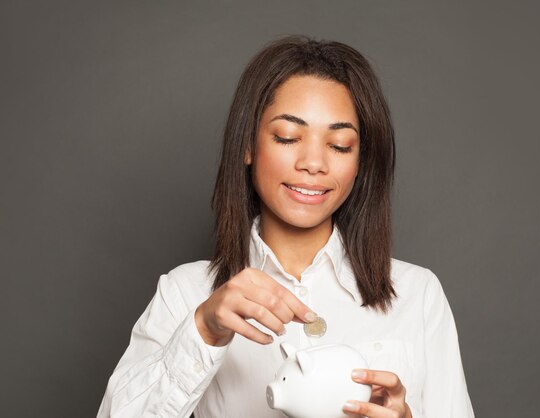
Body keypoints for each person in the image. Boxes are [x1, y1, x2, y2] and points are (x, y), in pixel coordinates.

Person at [97, 35, 474, 418]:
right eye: (287, 137)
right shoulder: (186, 292)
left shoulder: (417, 294)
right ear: (247, 144)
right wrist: (204, 331)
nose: (314, 163)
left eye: (340, 145)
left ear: (361, 163)